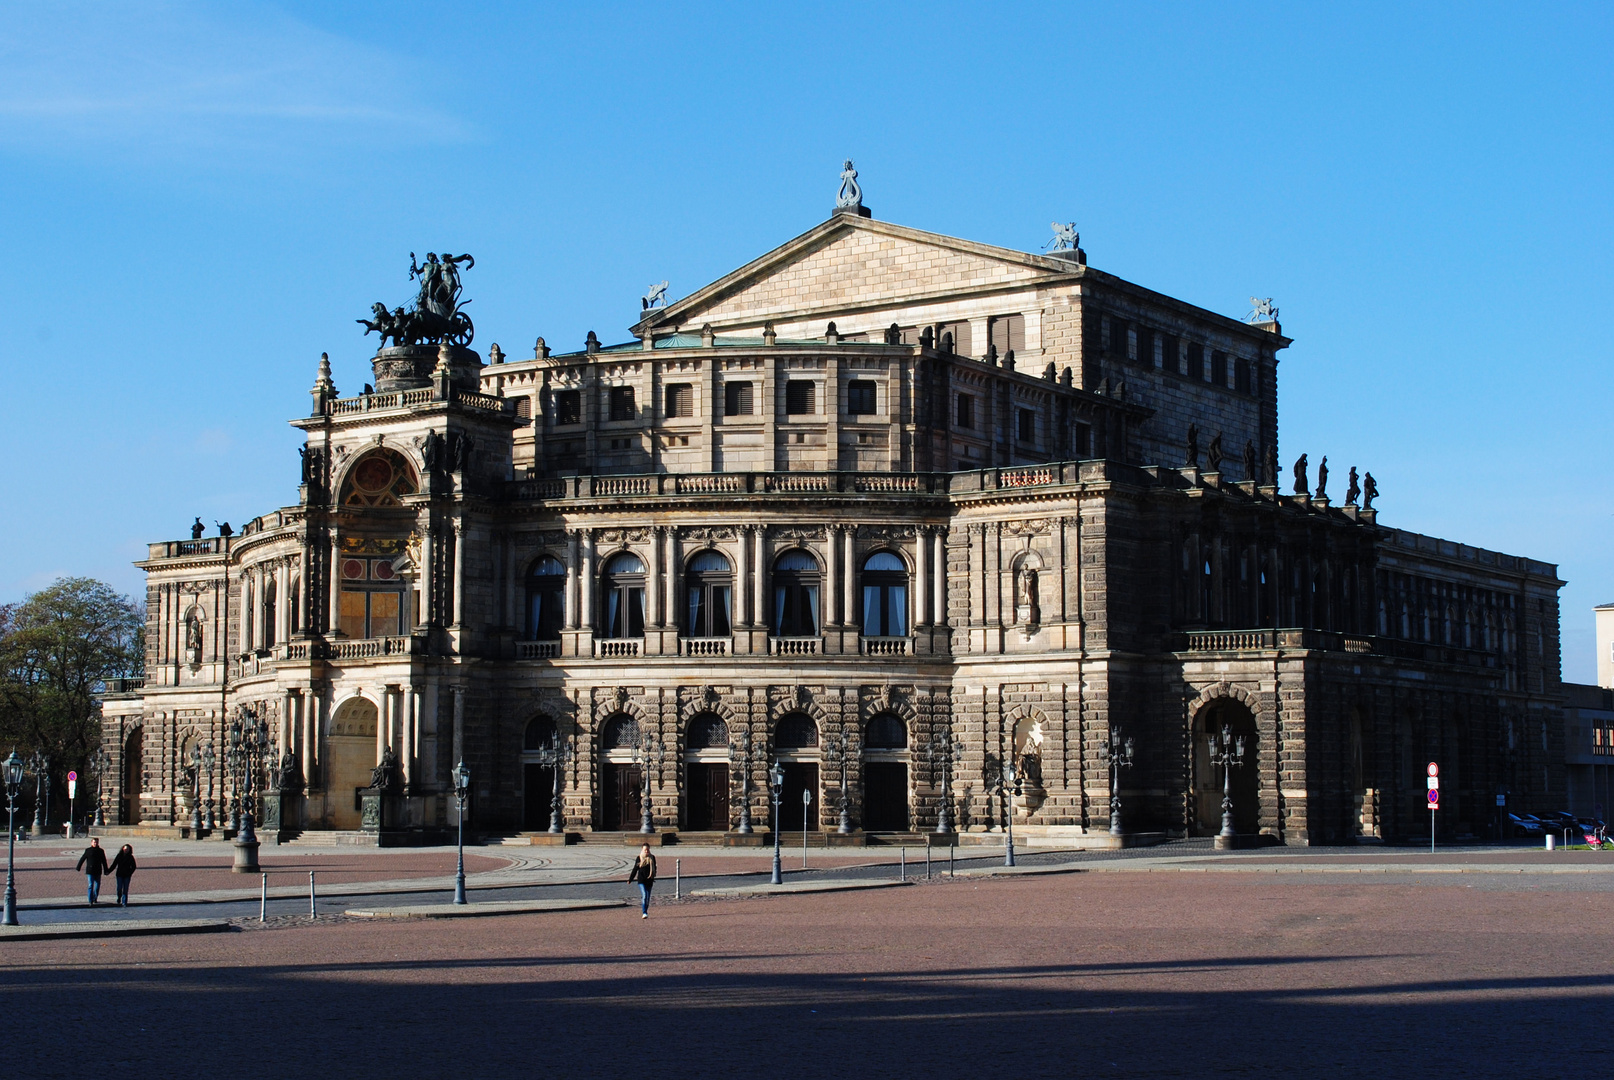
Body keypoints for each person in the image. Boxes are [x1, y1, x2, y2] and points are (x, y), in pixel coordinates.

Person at [76, 837, 110, 905]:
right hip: (90, 870)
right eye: (94, 842)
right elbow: (82, 858)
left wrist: (106, 870)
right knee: (90, 885)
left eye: (96, 842)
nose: (95, 843)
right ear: (91, 843)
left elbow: (104, 861)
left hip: (98, 870)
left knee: (97, 885)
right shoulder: (88, 850)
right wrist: (78, 867)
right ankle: (90, 900)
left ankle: (95, 897)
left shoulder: (101, 851)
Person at [627, 843, 657, 919]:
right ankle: (644, 912)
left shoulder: (652, 857)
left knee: (647, 897)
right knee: (644, 895)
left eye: (647, 849)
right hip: (641, 880)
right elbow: (635, 869)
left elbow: (654, 868)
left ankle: (646, 911)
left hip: (649, 880)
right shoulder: (639, 858)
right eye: (645, 850)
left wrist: (653, 876)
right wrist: (630, 879)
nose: (646, 851)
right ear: (642, 850)